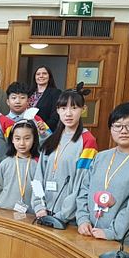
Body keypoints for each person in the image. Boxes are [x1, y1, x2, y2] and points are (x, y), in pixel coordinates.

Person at [76, 102, 129, 253]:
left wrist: (111, 232)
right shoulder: (100, 157)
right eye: (117, 125)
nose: (123, 131)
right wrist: (83, 219)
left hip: (125, 244)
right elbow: (84, 190)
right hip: (91, 236)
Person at [31, 89, 98, 222]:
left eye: (74, 108)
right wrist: (39, 206)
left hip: (67, 218)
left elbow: (82, 183)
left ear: (83, 109)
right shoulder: (52, 139)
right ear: (57, 110)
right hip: (43, 213)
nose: (68, 113)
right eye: (63, 108)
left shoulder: (87, 141)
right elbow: (39, 174)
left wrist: (63, 215)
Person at [0, 121, 40, 213]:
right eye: (17, 139)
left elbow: (39, 192)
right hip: (4, 210)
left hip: (30, 213)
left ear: (34, 139)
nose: (22, 143)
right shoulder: (5, 163)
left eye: (27, 138)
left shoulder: (37, 164)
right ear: (12, 139)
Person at [28, 66, 62, 132]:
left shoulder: (55, 93)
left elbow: (56, 114)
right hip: (27, 129)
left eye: (44, 73)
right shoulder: (29, 92)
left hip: (45, 131)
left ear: (49, 76)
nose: (41, 76)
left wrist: (45, 125)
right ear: (35, 77)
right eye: (38, 74)